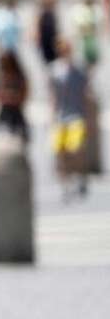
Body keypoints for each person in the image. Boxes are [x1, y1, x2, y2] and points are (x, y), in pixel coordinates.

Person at [50, 39, 89, 202]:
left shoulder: (79, 71)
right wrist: (52, 116)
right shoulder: (54, 71)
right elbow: (52, 96)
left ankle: (80, 176)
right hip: (60, 116)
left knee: (75, 149)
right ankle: (65, 184)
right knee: (59, 151)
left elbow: (85, 94)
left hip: (76, 115)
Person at [0, 52, 29, 143]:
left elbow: (25, 91)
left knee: (20, 134)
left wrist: (14, 97)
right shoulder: (0, 75)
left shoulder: (19, 76)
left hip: (16, 110)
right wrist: (4, 96)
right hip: (4, 109)